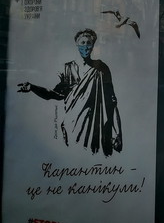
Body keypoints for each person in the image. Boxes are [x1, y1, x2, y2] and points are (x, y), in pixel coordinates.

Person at [17, 29, 122, 157]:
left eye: (89, 43)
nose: (85, 46)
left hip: (96, 130)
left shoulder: (102, 69)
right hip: (72, 128)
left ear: (93, 45)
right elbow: (53, 94)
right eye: (82, 43)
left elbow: (112, 102)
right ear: (77, 44)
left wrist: (117, 133)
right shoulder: (67, 70)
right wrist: (32, 87)